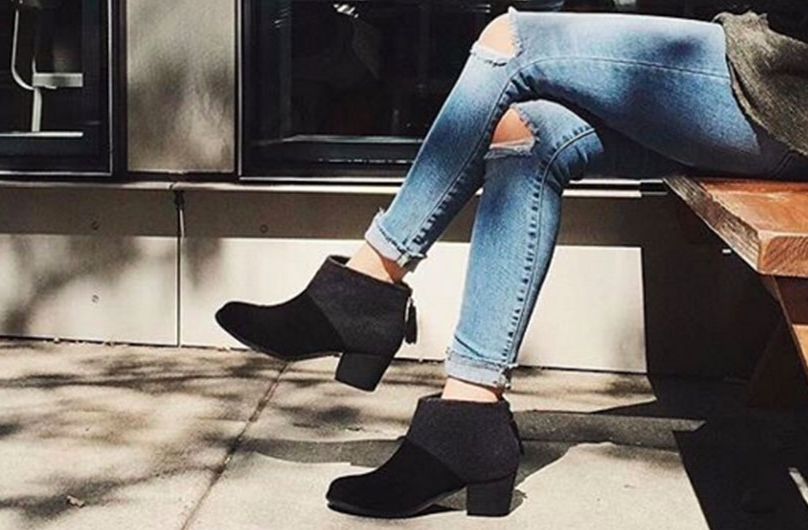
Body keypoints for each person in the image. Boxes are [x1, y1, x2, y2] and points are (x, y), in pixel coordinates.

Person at [215, 2, 808, 519]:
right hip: (760, 69)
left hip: (782, 90)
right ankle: (467, 418)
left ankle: (368, 282)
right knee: (523, 133)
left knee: (511, 40)